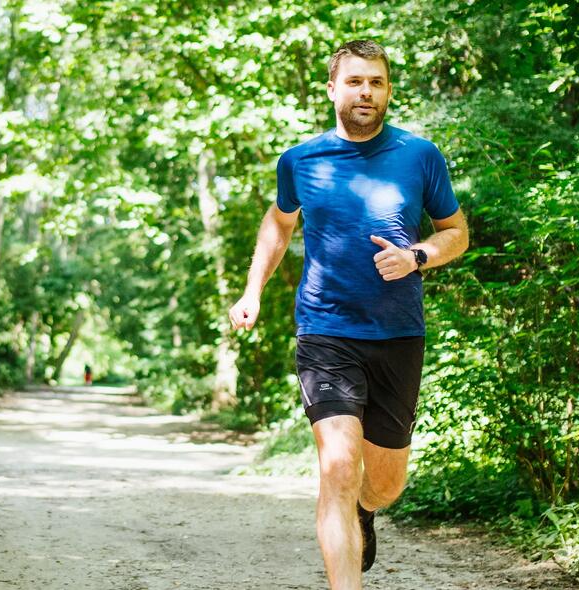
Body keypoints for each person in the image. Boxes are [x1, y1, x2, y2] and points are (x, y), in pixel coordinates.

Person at [228, 39, 469, 589]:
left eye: (377, 82)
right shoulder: (301, 161)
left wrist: (418, 257)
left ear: (387, 92)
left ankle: (367, 509)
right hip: (325, 331)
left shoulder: (419, 156)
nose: (367, 92)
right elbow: (280, 221)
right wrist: (253, 292)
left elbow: (456, 231)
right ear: (333, 89)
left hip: (398, 334)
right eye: (356, 81)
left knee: (384, 483)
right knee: (337, 466)